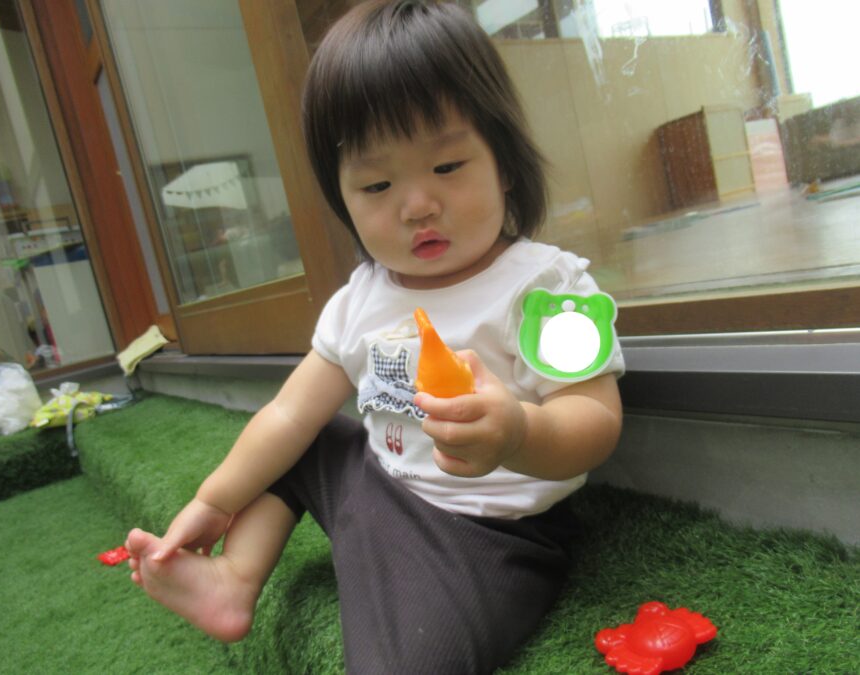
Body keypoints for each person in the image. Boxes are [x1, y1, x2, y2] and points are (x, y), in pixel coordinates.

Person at [126, 1, 624, 672]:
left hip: (483, 533)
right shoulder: (359, 298)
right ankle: (235, 577)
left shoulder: (546, 287)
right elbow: (288, 413)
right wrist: (214, 502)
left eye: (447, 167)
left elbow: (594, 418)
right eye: (378, 183)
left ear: (503, 163)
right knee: (301, 441)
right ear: (344, 199)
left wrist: (517, 432)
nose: (417, 205)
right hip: (378, 483)